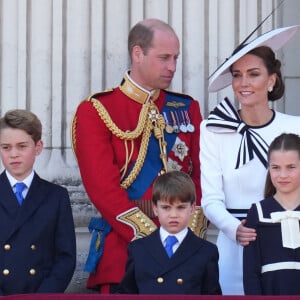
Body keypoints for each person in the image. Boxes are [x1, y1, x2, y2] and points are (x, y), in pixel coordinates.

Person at [71, 18, 204, 293]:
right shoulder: (97, 110)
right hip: (125, 254)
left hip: (183, 250)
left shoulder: (186, 107)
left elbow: (201, 174)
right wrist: (150, 238)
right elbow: (102, 188)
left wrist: (185, 235)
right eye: (164, 57)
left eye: (176, 58)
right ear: (137, 53)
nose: (172, 67)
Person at [200, 25, 300, 295]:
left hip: (289, 241)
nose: (243, 83)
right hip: (236, 245)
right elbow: (209, 199)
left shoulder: (297, 127)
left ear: (271, 80)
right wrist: (235, 229)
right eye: (237, 75)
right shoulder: (212, 129)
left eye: (253, 74)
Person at [0, 109, 76, 295]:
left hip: (41, 295)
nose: (14, 154)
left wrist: (43, 297)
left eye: (22, 146)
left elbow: (65, 257)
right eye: (6, 147)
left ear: (38, 147)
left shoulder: (56, 197)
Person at [116, 171, 221, 295]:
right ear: (155, 208)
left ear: (192, 208)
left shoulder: (207, 251)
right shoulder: (138, 249)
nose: (173, 215)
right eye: (166, 208)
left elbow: (212, 295)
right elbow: (126, 294)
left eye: (181, 207)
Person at [243, 133, 300, 295]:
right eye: (275, 168)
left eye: (291, 167)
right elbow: (251, 274)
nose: (282, 175)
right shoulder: (258, 213)